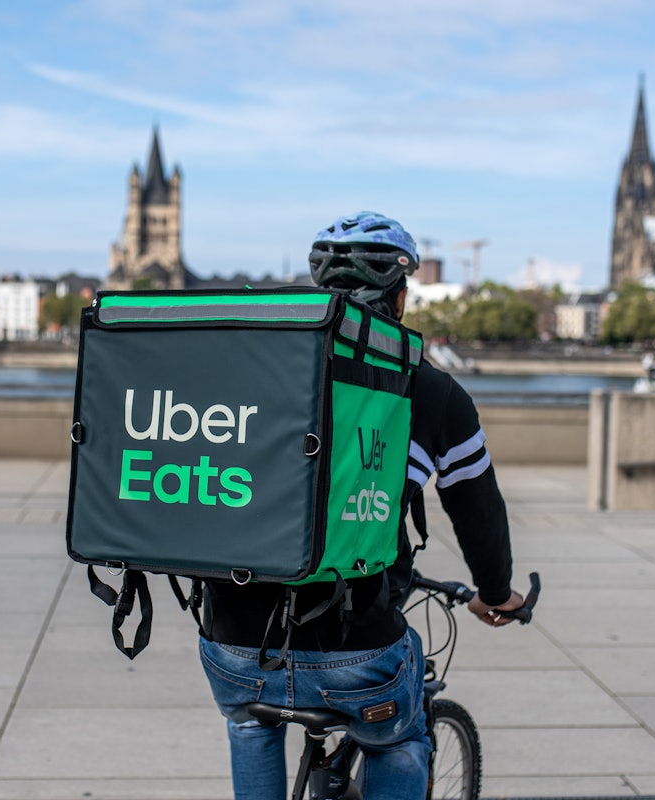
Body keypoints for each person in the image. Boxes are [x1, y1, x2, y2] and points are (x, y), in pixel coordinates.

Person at [198, 211, 525, 800]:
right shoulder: (432, 391)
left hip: (234, 641)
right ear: (399, 298)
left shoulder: (254, 372)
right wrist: (496, 593)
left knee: (249, 722)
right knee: (398, 738)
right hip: (354, 650)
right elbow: (477, 512)